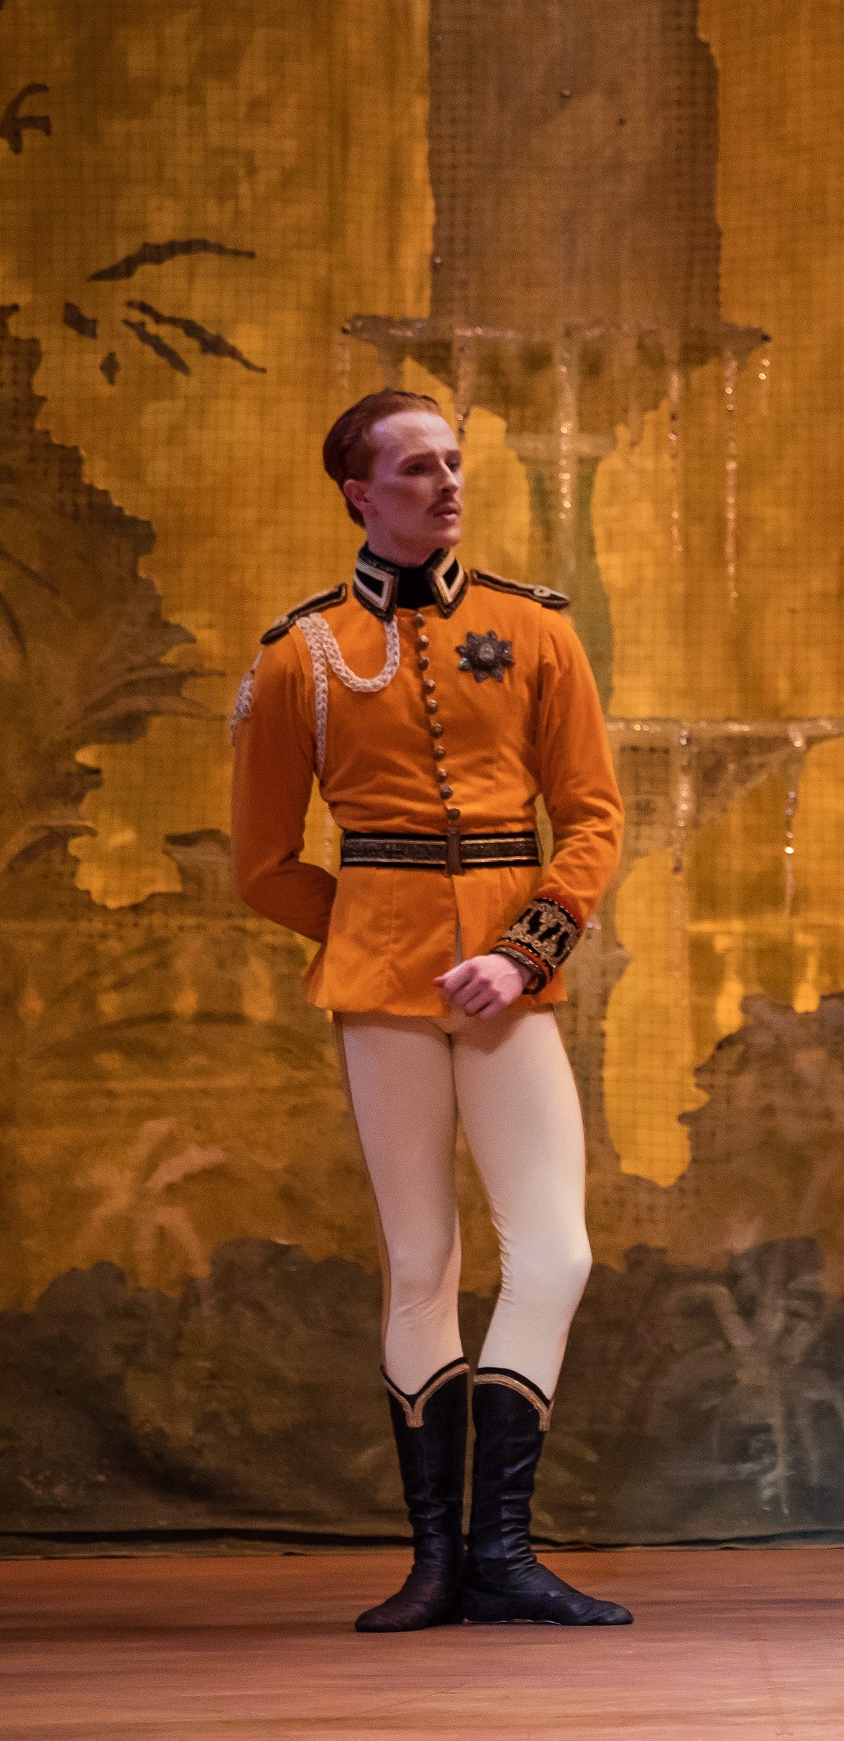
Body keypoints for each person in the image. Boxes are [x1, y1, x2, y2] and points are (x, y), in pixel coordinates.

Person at [229, 389, 630, 1632]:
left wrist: (523, 951)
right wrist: (369, 937)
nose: (447, 484)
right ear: (358, 491)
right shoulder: (298, 656)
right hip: (383, 994)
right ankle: (437, 1562)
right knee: (421, 1265)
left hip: (510, 991)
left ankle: (503, 1550)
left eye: (453, 462)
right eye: (416, 468)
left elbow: (595, 818)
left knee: (553, 1252)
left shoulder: (535, 630)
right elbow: (261, 864)